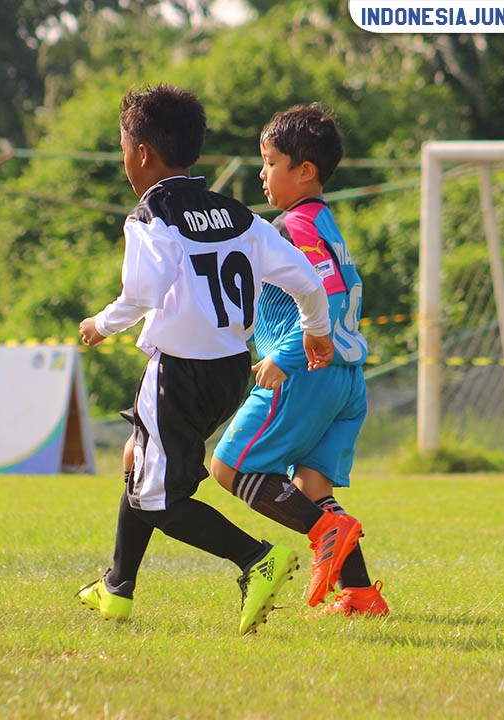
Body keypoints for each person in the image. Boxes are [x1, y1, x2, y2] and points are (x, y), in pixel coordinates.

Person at [76, 84, 337, 635]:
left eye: (124, 147)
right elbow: (307, 281)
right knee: (139, 460)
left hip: (179, 371)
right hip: (228, 372)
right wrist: (316, 331)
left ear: (141, 153)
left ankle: (256, 560)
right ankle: (117, 587)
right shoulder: (238, 214)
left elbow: (142, 293)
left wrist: (100, 325)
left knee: (158, 499)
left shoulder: (152, 214)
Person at [209, 104, 388, 618]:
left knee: (230, 466)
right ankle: (360, 594)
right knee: (311, 489)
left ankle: (323, 533)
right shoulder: (325, 222)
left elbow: (324, 297)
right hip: (346, 380)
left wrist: (286, 355)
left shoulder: (293, 227)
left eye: (269, 163)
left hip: (308, 367)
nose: (262, 174)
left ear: (304, 171)